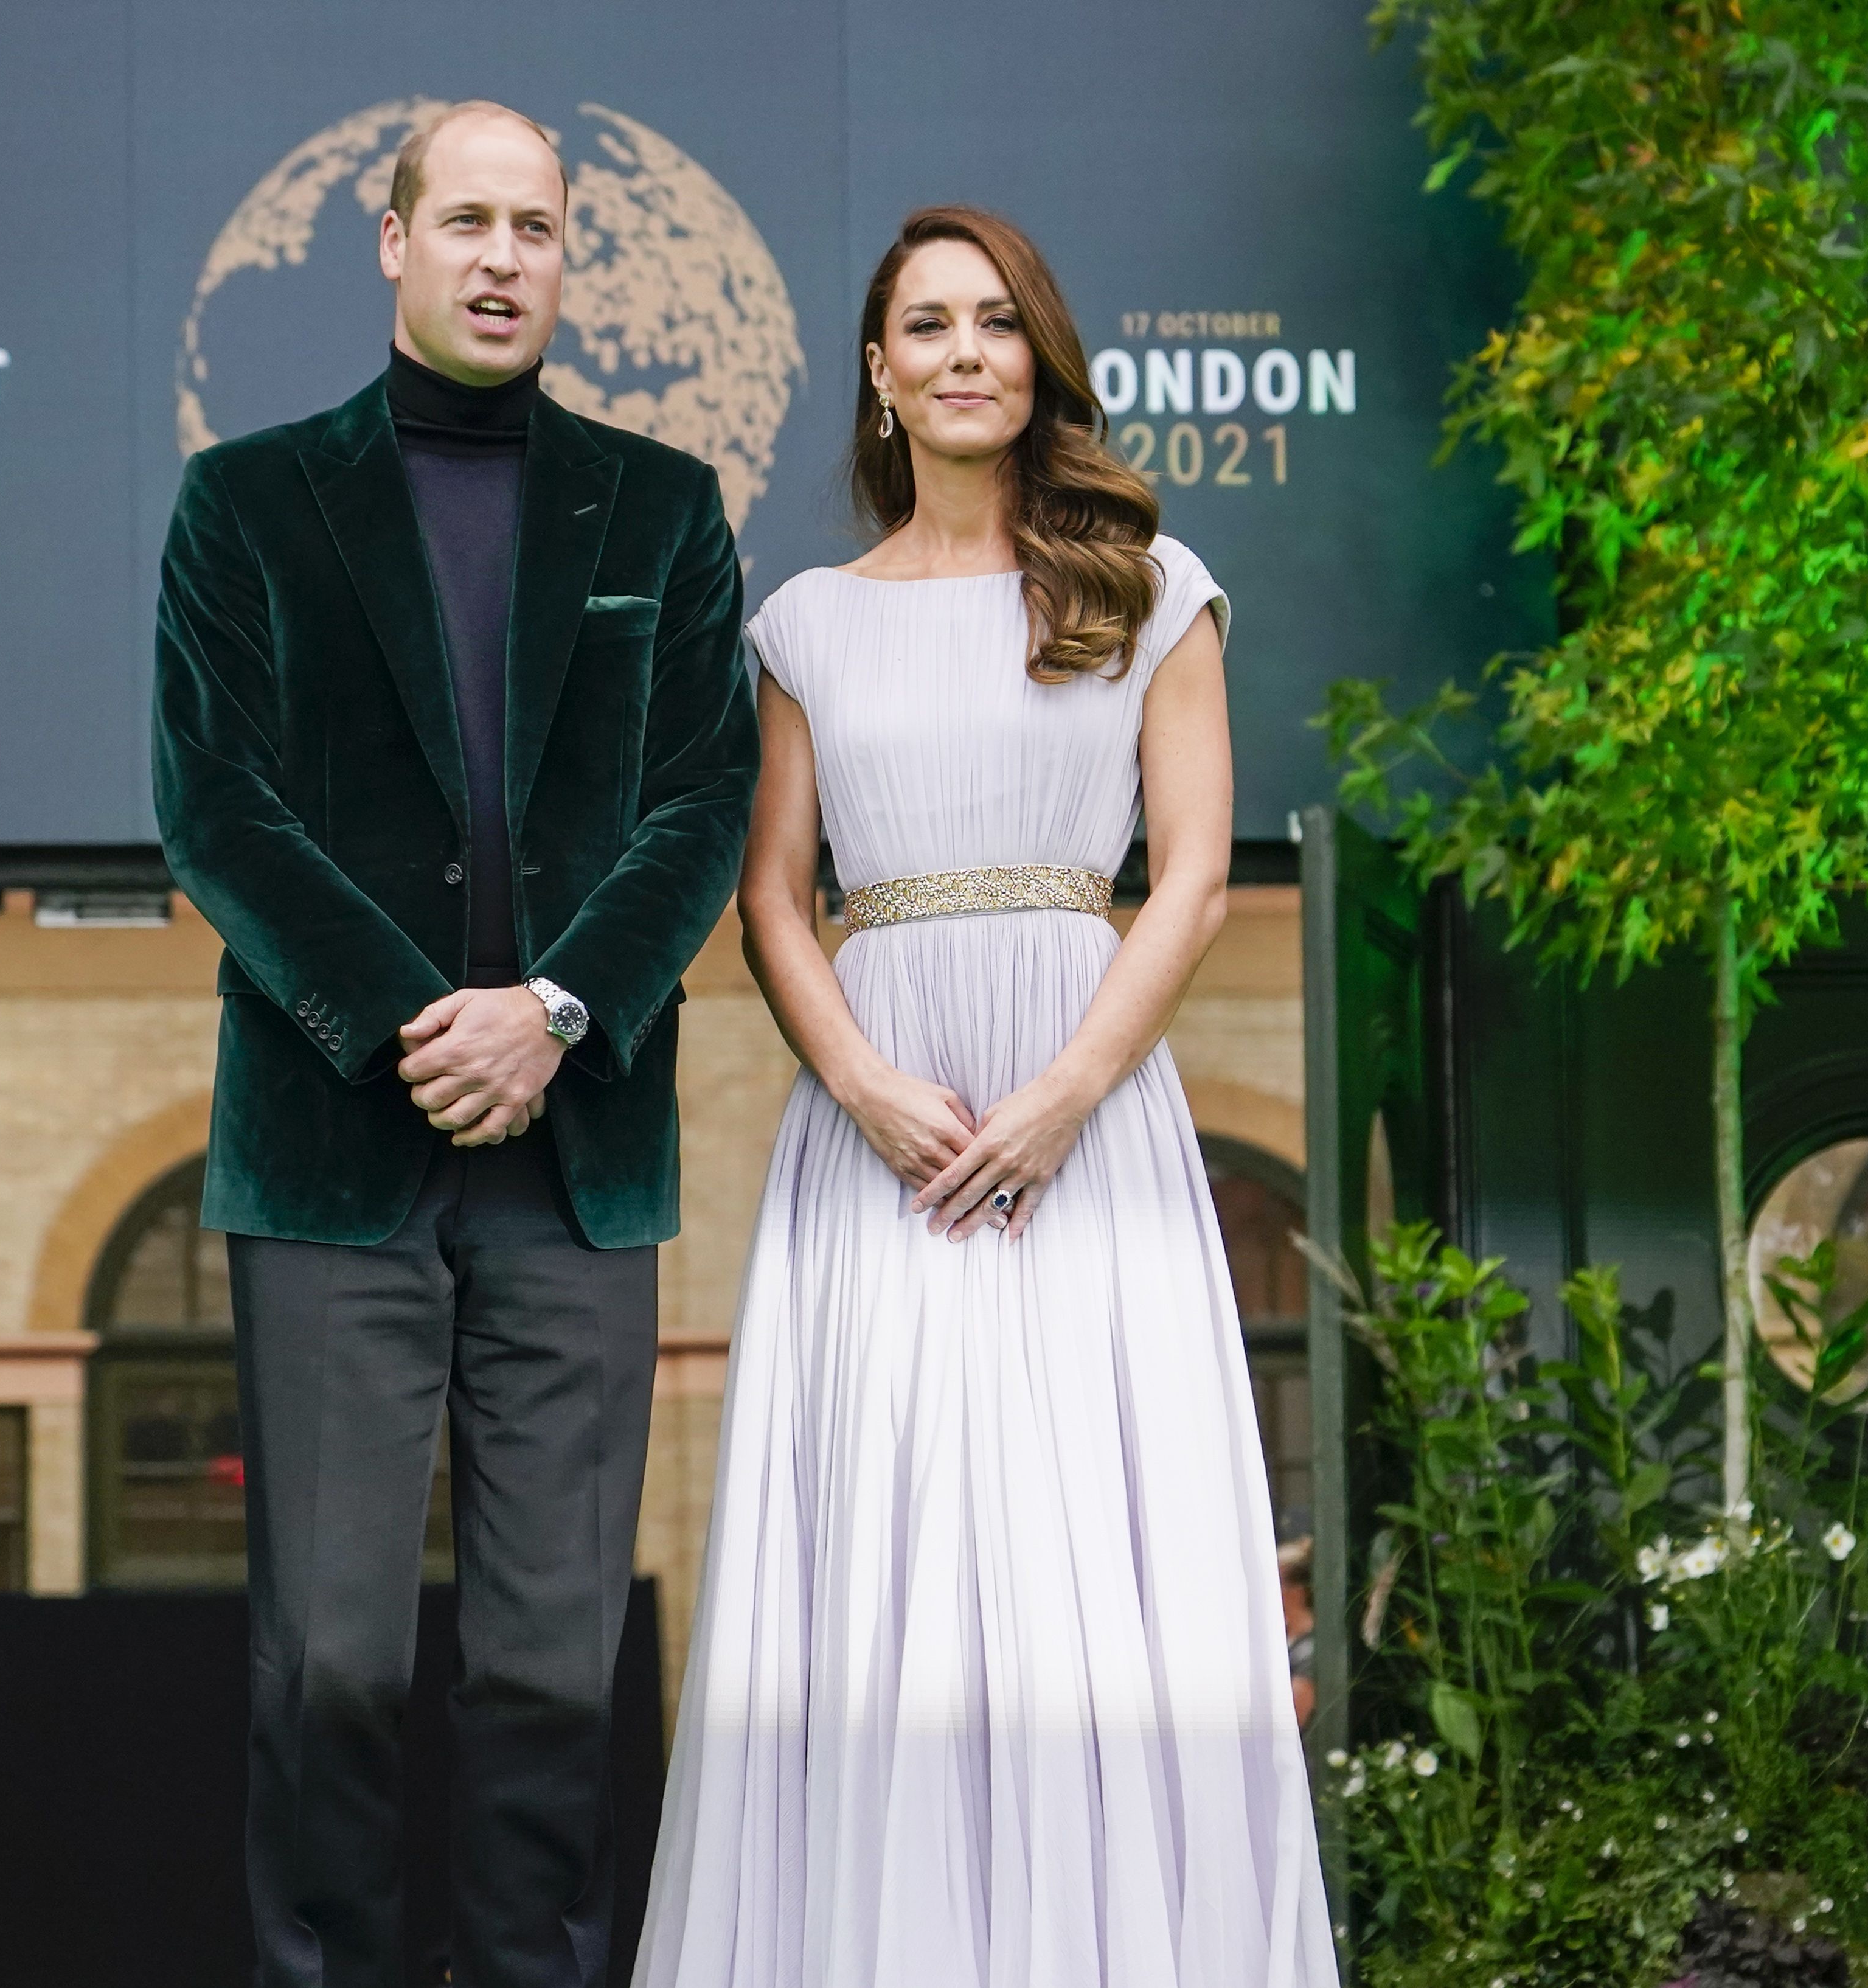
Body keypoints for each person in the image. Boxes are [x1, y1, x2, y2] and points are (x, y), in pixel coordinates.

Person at [636, 206, 1336, 1987]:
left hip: (1084, 1126)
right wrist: (862, 1082)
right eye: (923, 325)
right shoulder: (801, 623)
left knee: (1086, 1565)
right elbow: (770, 895)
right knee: (888, 1554)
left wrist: (1063, 1097)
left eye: (992, 322)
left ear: (1036, 358)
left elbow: (1182, 877)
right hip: (873, 1143)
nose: (960, 351)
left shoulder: (1145, 585)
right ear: (876, 374)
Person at [150, 100, 757, 1988]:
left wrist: (552, 1017)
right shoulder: (242, 503)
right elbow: (218, 811)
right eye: (467, 221)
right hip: (334, 1157)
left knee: (547, 1666)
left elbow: (698, 805)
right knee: (325, 1656)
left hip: (575, 1173)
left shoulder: (658, 509)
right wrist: (431, 1026)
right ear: (392, 241)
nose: (504, 257)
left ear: (571, 256)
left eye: (539, 227)